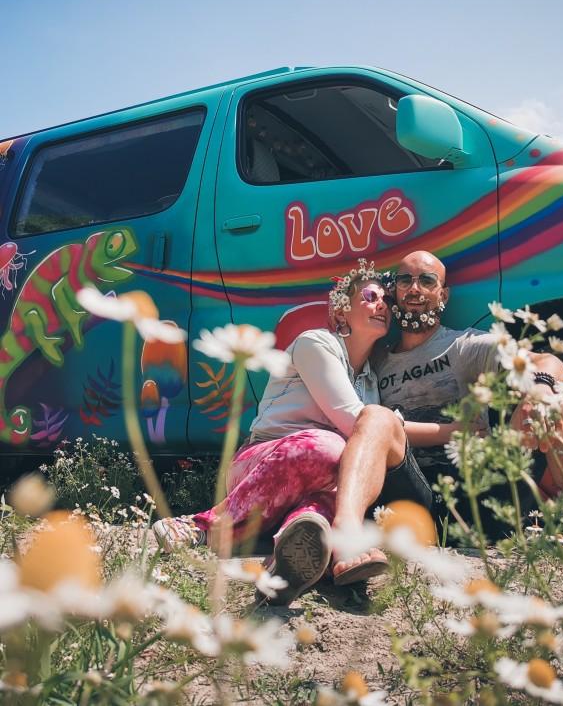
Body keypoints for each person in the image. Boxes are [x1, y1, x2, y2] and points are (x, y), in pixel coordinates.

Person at [153, 258, 448, 603]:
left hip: (324, 476)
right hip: (265, 462)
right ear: (340, 313)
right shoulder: (315, 344)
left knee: (328, 500)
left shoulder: (370, 378)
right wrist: (449, 431)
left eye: (385, 299)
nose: (381, 303)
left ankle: (288, 559)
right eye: (369, 296)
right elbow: (356, 423)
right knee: (330, 448)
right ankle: (202, 526)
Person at [372, 249, 563, 556]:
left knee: (552, 398)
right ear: (393, 290)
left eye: (427, 280)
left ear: (443, 294)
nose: (414, 289)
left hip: (481, 495)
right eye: (405, 280)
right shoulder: (375, 360)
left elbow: (549, 361)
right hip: (415, 498)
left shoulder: (464, 345)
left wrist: (540, 390)